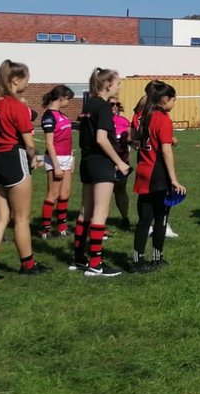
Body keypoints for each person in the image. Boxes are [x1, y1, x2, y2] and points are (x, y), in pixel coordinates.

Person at [0, 60, 47, 283]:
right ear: (15, 80)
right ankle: (28, 264)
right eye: (26, 78)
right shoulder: (16, 105)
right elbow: (28, 143)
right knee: (21, 218)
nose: (28, 83)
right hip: (12, 158)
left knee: (1, 218)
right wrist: (34, 158)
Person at [71, 68, 132, 277]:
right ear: (107, 85)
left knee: (85, 211)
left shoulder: (88, 104)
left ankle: (79, 257)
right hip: (101, 162)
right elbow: (101, 138)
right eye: (117, 83)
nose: (119, 87)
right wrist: (119, 162)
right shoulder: (104, 107)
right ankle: (96, 263)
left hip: (87, 161)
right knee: (100, 212)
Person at [131, 81, 185, 272]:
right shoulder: (163, 119)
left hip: (143, 170)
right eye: (173, 99)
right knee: (161, 217)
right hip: (158, 173)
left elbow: (135, 140)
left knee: (144, 220)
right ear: (164, 99)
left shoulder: (144, 116)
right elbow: (166, 151)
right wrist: (173, 179)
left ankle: (138, 260)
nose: (174, 102)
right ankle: (156, 257)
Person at [39, 85, 75, 239]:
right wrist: (56, 166)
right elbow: (49, 143)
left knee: (65, 193)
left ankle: (62, 227)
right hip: (56, 159)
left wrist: (71, 158)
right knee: (52, 194)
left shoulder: (62, 114)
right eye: (68, 99)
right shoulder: (49, 116)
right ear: (61, 98)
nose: (69, 102)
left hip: (66, 157)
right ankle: (45, 229)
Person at [110, 97, 133, 230]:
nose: (115, 106)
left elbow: (130, 139)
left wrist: (133, 140)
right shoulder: (101, 121)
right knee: (105, 191)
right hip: (106, 162)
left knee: (120, 189)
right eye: (111, 104)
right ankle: (99, 222)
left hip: (123, 162)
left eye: (117, 104)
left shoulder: (124, 121)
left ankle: (125, 218)